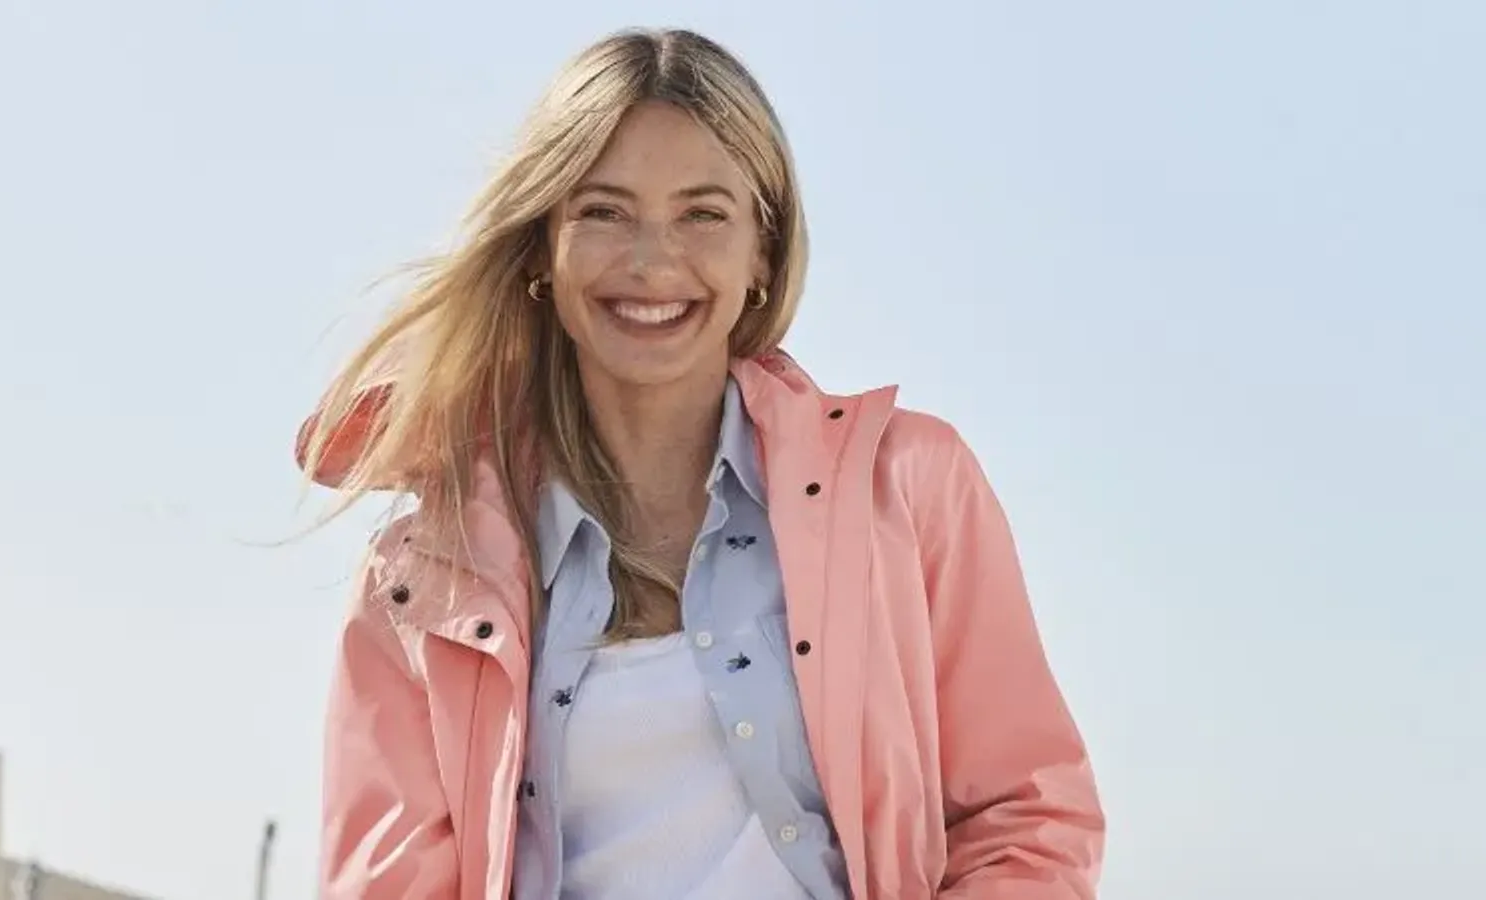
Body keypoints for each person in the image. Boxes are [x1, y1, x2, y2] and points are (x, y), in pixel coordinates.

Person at [297, 27, 1104, 900]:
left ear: (763, 248)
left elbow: (1026, 822)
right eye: (602, 211)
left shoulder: (909, 487)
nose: (652, 263)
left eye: (703, 214)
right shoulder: (423, 575)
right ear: (542, 249)